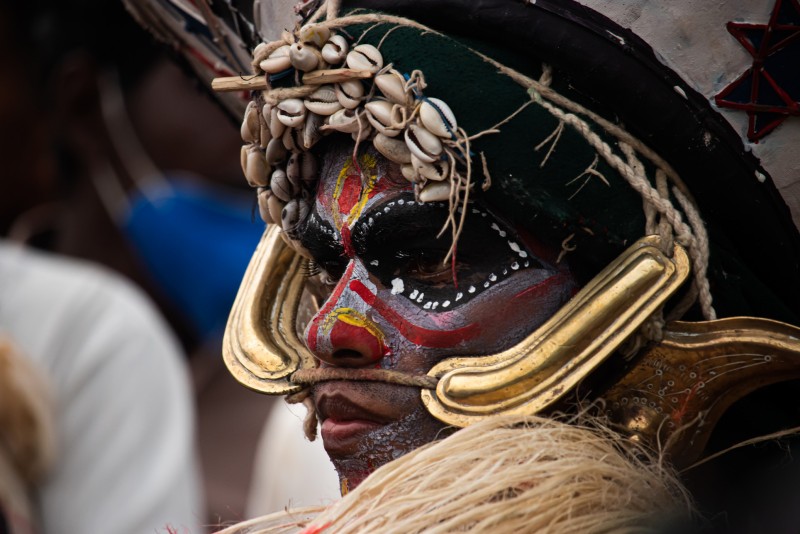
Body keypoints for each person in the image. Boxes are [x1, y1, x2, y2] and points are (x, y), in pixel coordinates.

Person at [128, 0, 800, 531]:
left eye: (431, 260)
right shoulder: (289, 467)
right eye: (326, 270)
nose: (329, 333)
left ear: (643, 308)